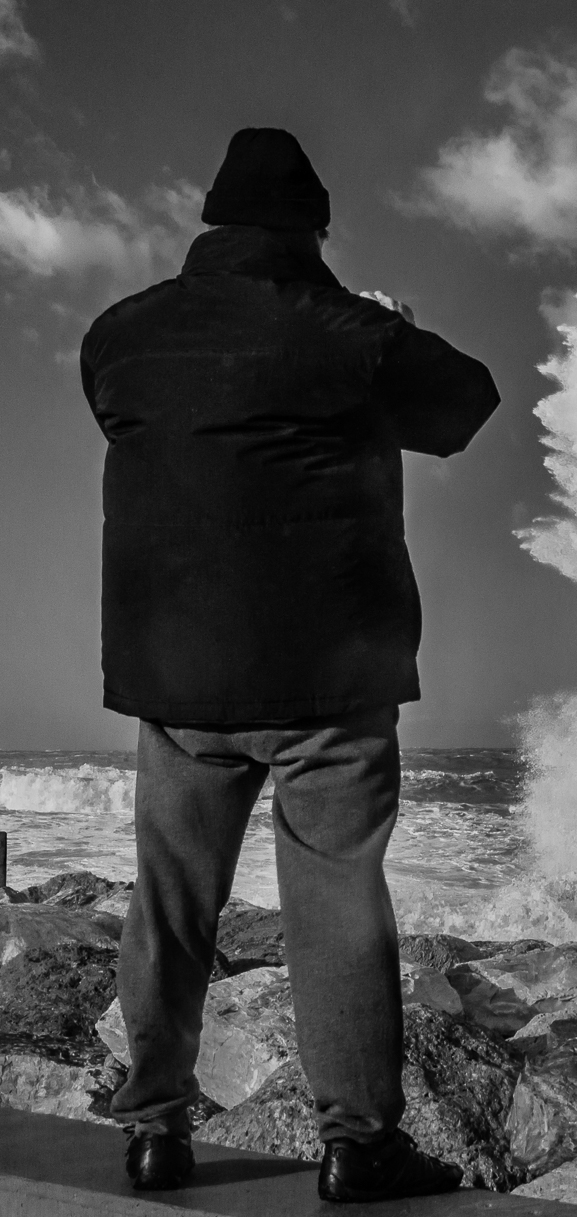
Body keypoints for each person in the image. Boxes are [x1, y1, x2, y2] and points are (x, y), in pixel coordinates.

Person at [80, 128, 499, 1202]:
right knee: (338, 903)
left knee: (169, 903)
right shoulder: (349, 332)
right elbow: (464, 405)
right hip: (330, 680)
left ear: (212, 221)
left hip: (177, 682)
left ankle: (154, 1129)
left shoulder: (117, 337)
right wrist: (390, 328)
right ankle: (358, 1144)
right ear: (314, 225)